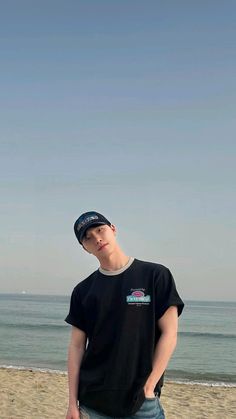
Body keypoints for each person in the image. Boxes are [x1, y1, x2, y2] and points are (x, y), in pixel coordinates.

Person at [65, 211, 184, 419]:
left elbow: (170, 333)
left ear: (113, 229)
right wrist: (72, 403)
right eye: (88, 237)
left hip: (142, 402)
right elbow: (76, 346)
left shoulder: (155, 275)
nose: (97, 238)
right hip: (93, 402)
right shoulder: (83, 291)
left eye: (100, 230)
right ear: (84, 248)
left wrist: (149, 386)